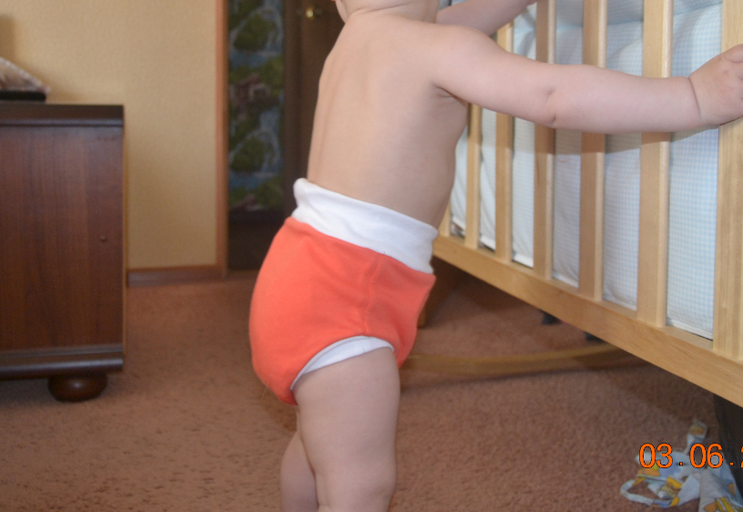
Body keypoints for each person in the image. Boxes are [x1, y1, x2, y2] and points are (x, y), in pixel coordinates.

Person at [249, 1, 743, 510]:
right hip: (349, 299)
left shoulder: (358, 41)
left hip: (295, 276)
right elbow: (553, 97)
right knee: (362, 482)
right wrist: (694, 95)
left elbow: (464, 23)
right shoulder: (434, 47)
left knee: (318, 448)